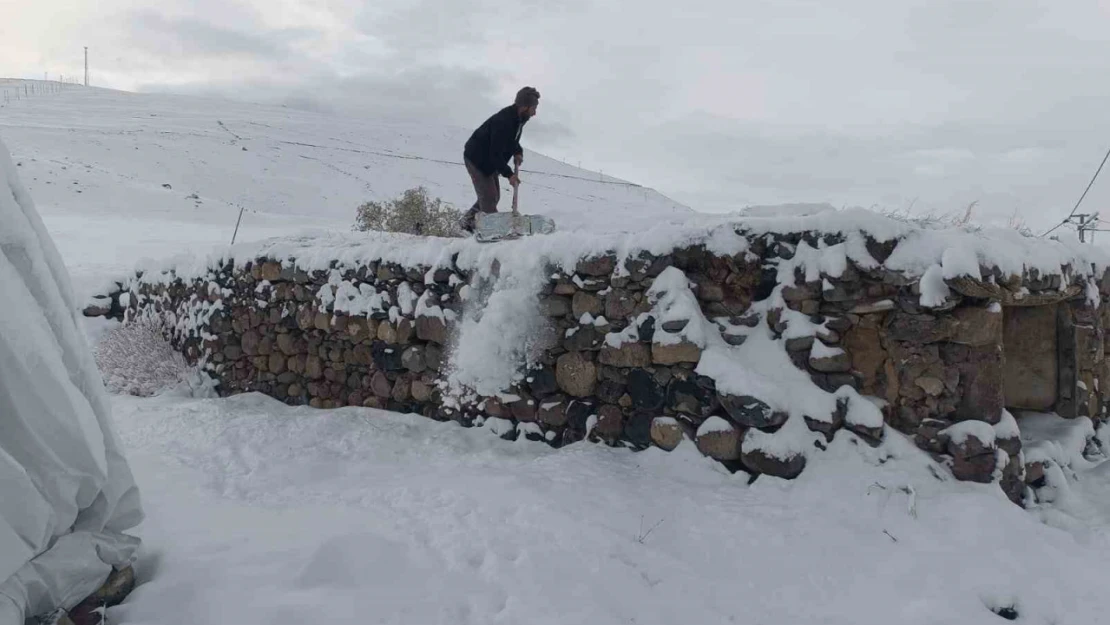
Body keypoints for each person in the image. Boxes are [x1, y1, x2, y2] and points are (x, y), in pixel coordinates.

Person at [460, 86, 540, 232]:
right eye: (533, 108)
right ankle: (493, 235)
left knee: (493, 196)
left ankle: (467, 223)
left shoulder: (518, 119)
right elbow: (495, 153)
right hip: (477, 159)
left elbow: (511, 140)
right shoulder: (503, 121)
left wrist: (518, 152)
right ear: (524, 107)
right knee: (489, 199)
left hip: (489, 161)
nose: (534, 113)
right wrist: (509, 175)